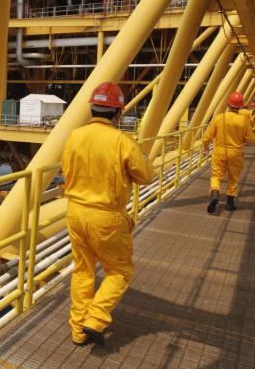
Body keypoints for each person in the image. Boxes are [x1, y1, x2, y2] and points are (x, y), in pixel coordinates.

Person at [62, 82, 154, 346]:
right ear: (118, 112)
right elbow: (146, 176)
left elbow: (67, 172)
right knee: (120, 271)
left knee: (83, 270)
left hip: (76, 212)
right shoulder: (122, 141)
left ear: (92, 109)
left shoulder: (74, 137)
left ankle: (78, 331)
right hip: (106, 217)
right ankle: (96, 318)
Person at [203, 91, 253, 213]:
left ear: (228, 104)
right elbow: (250, 139)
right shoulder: (243, 120)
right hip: (235, 152)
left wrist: (205, 146)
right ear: (240, 106)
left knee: (216, 175)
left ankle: (215, 194)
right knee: (233, 178)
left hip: (219, 151)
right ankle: (230, 204)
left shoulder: (220, 117)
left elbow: (208, 136)